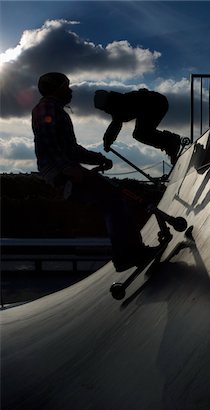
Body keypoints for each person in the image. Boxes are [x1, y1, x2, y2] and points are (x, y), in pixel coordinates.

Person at [32, 72, 159, 272]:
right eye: (67, 86)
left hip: (64, 170)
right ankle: (127, 254)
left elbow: (71, 149)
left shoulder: (55, 109)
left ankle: (129, 252)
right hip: (61, 173)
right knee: (113, 200)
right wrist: (68, 169)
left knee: (113, 200)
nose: (71, 91)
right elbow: (49, 143)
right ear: (57, 89)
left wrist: (98, 158)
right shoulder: (47, 108)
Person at [94, 88, 181, 164]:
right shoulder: (118, 101)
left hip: (155, 104)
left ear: (106, 103)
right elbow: (115, 124)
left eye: (103, 108)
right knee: (141, 133)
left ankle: (171, 141)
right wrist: (107, 141)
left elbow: (115, 126)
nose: (104, 111)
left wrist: (107, 142)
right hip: (153, 104)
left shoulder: (118, 105)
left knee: (141, 134)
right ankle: (169, 143)